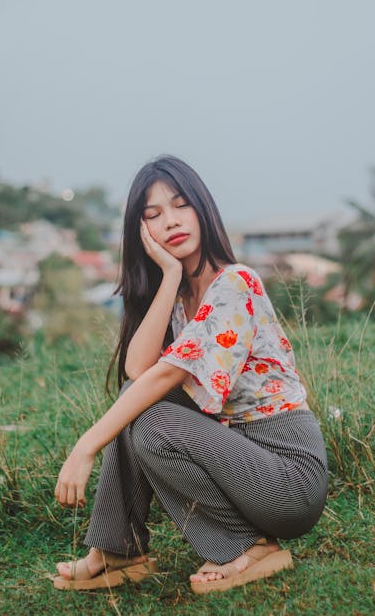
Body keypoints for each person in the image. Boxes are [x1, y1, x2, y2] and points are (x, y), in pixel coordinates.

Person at [53, 155, 328, 595]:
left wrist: (86, 447)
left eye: (181, 205)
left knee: (151, 416)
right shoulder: (182, 299)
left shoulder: (237, 283)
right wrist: (170, 276)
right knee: (138, 400)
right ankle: (119, 550)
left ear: (203, 208)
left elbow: (159, 380)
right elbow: (138, 371)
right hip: (239, 461)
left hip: (286, 479)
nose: (171, 222)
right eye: (153, 215)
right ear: (141, 231)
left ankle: (252, 546)